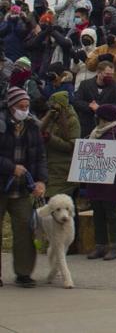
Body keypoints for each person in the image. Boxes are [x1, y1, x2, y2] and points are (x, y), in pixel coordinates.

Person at [0, 87, 48, 287]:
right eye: (21, 106)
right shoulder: (2, 123)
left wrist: (41, 180)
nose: (24, 110)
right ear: (11, 106)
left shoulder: (32, 125)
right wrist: (11, 168)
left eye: (27, 106)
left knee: (25, 230)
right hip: (3, 184)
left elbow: (40, 156)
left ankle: (24, 272)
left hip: (21, 189)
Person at [85, 103, 116, 262]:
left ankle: (114, 246)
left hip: (114, 180)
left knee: (112, 213)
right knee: (98, 212)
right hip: (96, 179)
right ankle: (100, 245)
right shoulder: (96, 132)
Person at [39, 91, 80, 199]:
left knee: (60, 202)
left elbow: (71, 146)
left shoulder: (72, 121)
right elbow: (39, 130)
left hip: (63, 169)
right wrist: (48, 116)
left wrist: (50, 139)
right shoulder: (52, 117)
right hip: (49, 166)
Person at [72, 61, 116, 138]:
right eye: (107, 74)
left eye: (112, 74)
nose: (110, 77)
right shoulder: (85, 84)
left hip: (107, 127)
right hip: (86, 125)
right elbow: (77, 102)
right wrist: (90, 106)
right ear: (99, 72)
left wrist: (100, 108)